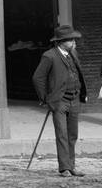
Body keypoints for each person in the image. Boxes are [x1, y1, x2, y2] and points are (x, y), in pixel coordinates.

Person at [32, 25, 90, 176]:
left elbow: (78, 73)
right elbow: (38, 78)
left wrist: (82, 92)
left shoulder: (73, 54)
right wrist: (45, 99)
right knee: (62, 134)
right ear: (61, 41)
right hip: (59, 101)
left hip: (74, 99)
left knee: (73, 134)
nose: (73, 42)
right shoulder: (49, 56)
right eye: (70, 39)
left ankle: (71, 166)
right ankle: (64, 167)